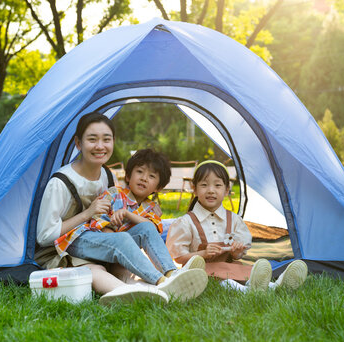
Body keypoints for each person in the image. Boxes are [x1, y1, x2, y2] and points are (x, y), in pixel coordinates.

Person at [35, 113, 185, 305]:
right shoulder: (60, 183)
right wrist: (88, 214)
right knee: (102, 265)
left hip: (100, 240)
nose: (100, 146)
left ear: (113, 142)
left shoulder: (107, 175)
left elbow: (116, 213)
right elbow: (44, 236)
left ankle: (169, 276)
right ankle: (160, 282)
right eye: (92, 139)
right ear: (78, 144)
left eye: (106, 139)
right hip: (64, 246)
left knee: (141, 235)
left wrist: (130, 220)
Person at [55, 148, 208, 305]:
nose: (144, 178)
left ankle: (171, 273)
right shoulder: (114, 193)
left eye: (151, 176)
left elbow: (152, 230)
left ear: (158, 187)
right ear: (128, 176)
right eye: (140, 172)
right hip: (83, 242)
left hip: (111, 253)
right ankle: (162, 282)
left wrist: (127, 215)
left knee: (145, 229)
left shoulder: (151, 208)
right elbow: (95, 219)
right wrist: (110, 230)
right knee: (121, 238)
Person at [166, 160, 308, 292]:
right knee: (227, 279)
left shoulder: (233, 220)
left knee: (243, 270)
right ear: (194, 189)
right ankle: (246, 290)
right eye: (204, 185)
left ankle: (275, 285)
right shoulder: (186, 222)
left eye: (217, 185)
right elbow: (178, 257)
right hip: (200, 271)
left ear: (227, 190)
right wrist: (202, 254)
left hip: (228, 267)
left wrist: (236, 251)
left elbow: (239, 253)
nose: (211, 190)